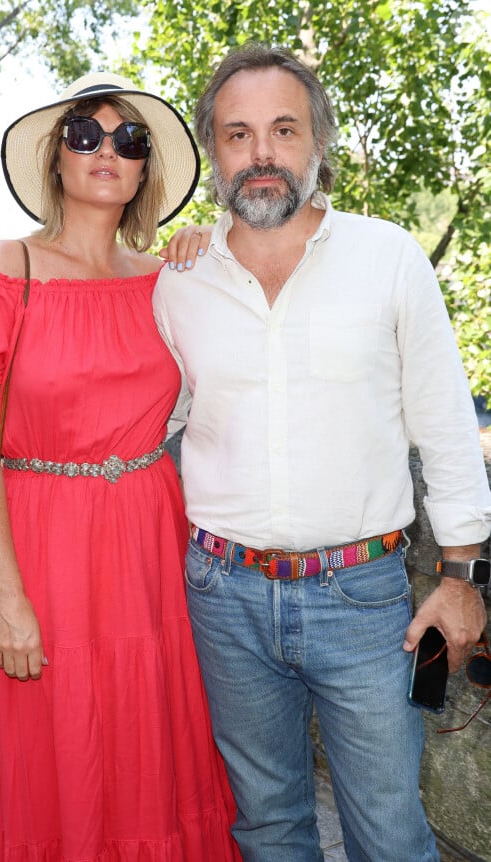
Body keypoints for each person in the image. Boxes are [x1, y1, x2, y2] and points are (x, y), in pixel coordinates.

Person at [153, 44, 491, 861]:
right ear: (213, 150)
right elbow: (153, 422)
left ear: (317, 143)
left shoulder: (389, 259)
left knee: (389, 831)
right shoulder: (176, 285)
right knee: (266, 825)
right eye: (238, 134)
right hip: (222, 596)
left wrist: (462, 580)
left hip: (370, 604)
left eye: (283, 130)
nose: (261, 153)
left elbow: (445, 426)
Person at [0, 71, 241, 862]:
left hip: (150, 540)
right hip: (43, 542)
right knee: (58, 731)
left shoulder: (171, 280)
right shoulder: (7, 270)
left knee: (155, 727)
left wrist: (212, 241)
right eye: (85, 134)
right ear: (56, 160)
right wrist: (6, 598)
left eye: (128, 139)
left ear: (146, 170)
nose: (107, 150)